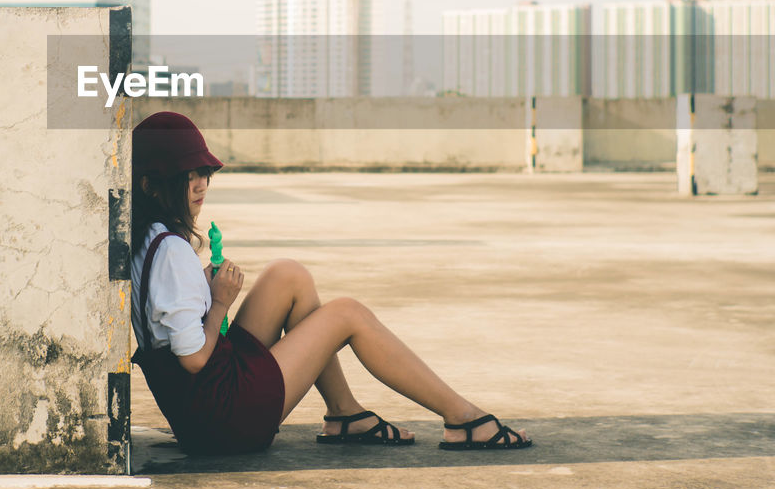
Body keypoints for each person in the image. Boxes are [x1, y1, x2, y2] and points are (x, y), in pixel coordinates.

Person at [130, 110, 532, 456]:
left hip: (201, 412)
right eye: (186, 176)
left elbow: (169, 318)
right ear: (151, 186)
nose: (200, 184)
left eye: (204, 173)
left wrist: (203, 286)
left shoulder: (150, 240)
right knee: (347, 314)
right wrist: (219, 302)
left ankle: (344, 413)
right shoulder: (174, 253)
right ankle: (462, 419)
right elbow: (194, 359)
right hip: (224, 421)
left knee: (288, 275)